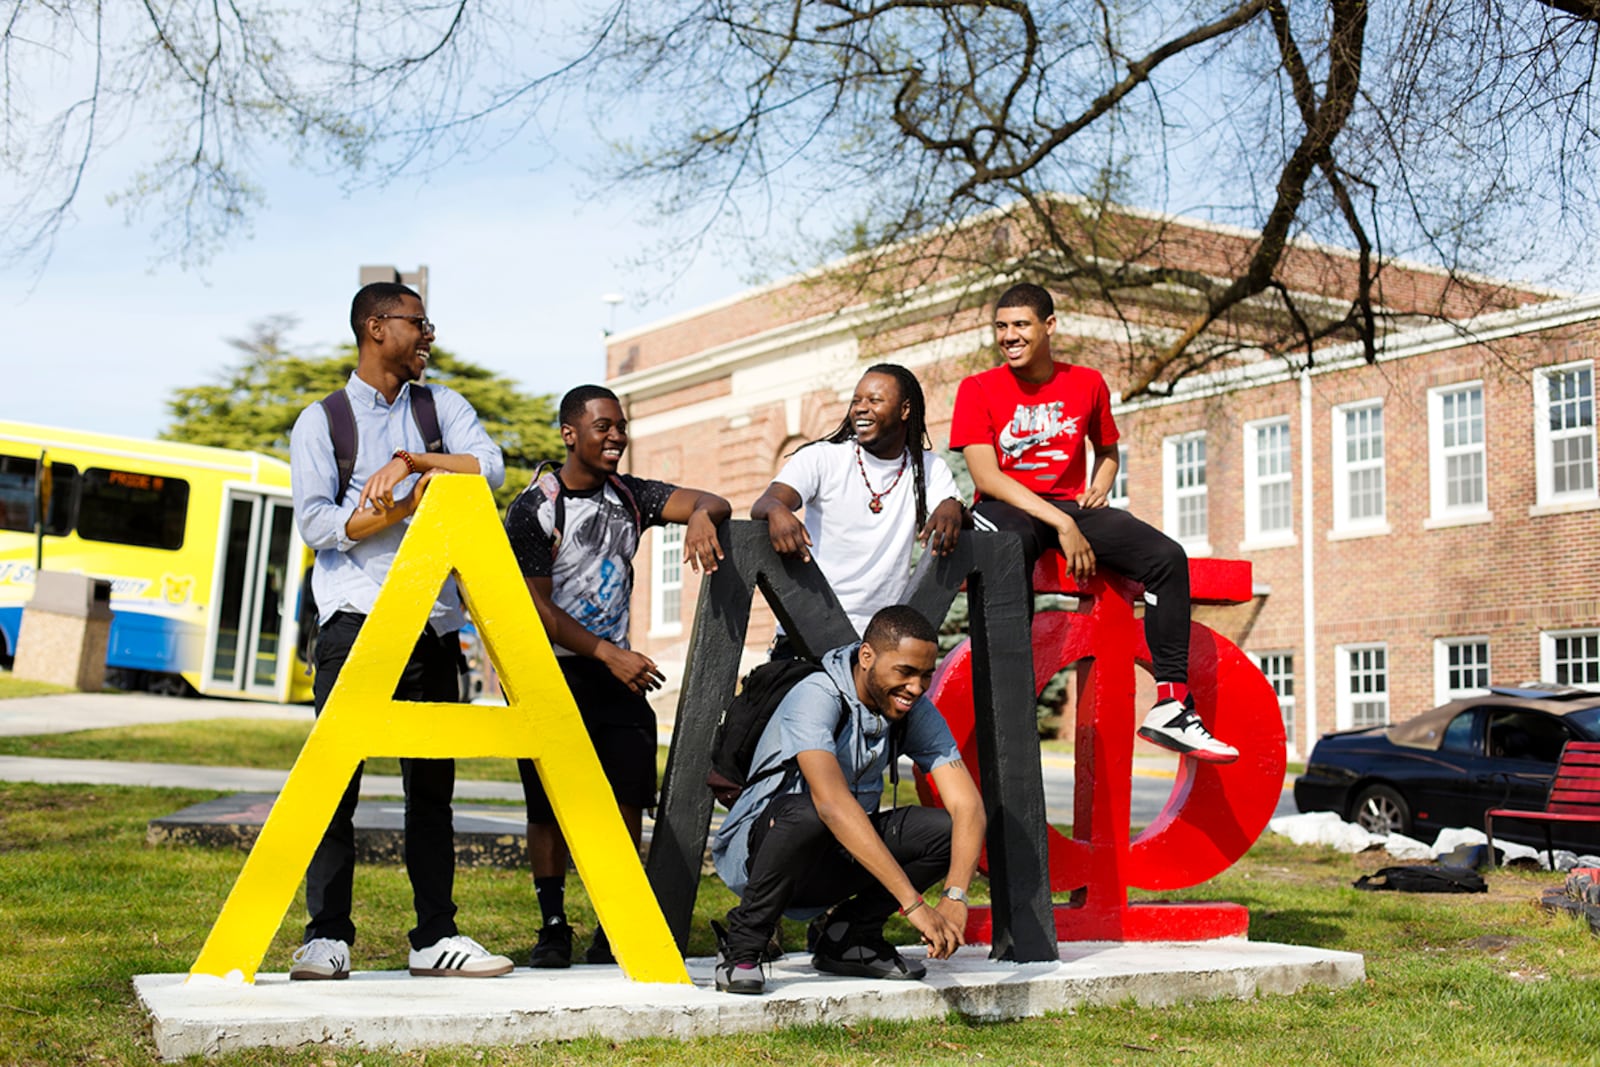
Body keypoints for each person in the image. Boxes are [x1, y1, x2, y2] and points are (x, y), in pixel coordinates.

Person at [287, 281, 514, 980]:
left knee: (432, 789)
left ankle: (434, 937)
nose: (428, 336)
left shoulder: (441, 408)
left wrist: (414, 463)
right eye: (418, 323)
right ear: (376, 326)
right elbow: (319, 524)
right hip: (356, 625)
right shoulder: (322, 422)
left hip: (432, 630)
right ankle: (326, 936)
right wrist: (391, 509)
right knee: (335, 783)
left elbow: (491, 467)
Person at [949, 282, 1238, 763]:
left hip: (1070, 505)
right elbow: (986, 476)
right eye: (1001, 327)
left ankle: (1171, 705)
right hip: (1006, 504)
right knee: (1011, 545)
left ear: (1049, 326)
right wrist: (1063, 526)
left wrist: (1101, 483)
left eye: (1021, 325)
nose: (1009, 336)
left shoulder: (1087, 383)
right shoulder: (977, 388)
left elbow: (1106, 452)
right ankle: (1009, 696)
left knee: (1167, 558)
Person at [503, 384, 731, 968]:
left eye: (621, 427)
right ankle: (553, 925)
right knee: (547, 806)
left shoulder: (632, 497)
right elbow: (538, 610)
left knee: (628, 796)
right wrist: (608, 653)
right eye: (603, 427)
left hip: (615, 674)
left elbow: (712, 499)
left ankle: (614, 917)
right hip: (554, 673)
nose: (616, 438)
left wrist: (703, 515)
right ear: (569, 434)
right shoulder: (535, 507)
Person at [710, 605, 986, 995]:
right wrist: (913, 904)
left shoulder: (912, 709)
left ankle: (850, 938)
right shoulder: (816, 695)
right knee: (811, 814)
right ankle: (743, 947)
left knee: (943, 830)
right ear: (867, 657)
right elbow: (831, 805)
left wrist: (955, 895)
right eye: (905, 672)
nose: (917, 688)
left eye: (925, 675)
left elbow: (968, 805)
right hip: (766, 853)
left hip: (837, 853)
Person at [751, 364, 966, 652]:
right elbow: (767, 502)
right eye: (856, 401)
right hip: (809, 635)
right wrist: (777, 511)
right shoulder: (822, 458)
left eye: (874, 401)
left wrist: (953, 505)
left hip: (880, 643)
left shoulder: (928, 468)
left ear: (904, 410)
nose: (861, 409)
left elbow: (953, 512)